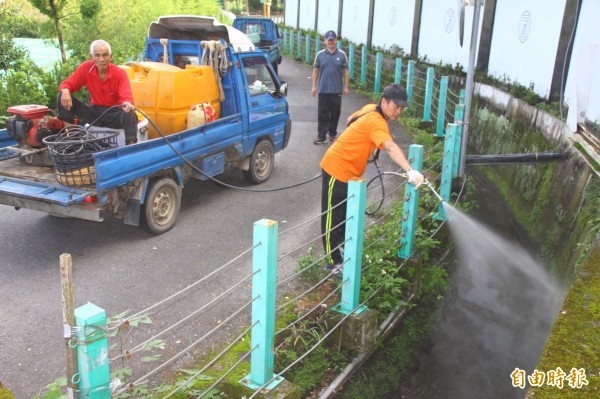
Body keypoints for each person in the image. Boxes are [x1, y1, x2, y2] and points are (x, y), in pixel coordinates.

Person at [319, 83, 425, 274]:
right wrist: (410, 171)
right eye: (396, 106)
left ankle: (341, 253)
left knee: (342, 216)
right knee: (331, 218)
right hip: (337, 168)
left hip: (350, 172)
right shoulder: (377, 121)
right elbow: (391, 147)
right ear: (384, 101)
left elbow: (350, 119)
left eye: (402, 108)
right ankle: (333, 264)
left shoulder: (371, 109)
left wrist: (359, 143)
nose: (398, 111)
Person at [57, 39, 138, 144]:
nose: (101, 59)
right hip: (95, 113)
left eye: (105, 55)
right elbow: (69, 83)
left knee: (130, 113)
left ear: (110, 56)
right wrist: (65, 89)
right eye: (97, 55)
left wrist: (127, 104)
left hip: (114, 114)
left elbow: (126, 97)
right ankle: (73, 139)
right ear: (91, 57)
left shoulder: (119, 73)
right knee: (61, 96)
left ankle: (130, 148)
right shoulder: (86, 68)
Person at [311, 30, 349, 145]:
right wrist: (314, 87)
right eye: (329, 40)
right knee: (322, 113)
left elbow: (346, 72)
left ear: (336, 40)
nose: (331, 42)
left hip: (336, 90)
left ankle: (332, 134)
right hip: (323, 89)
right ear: (325, 41)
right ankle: (321, 136)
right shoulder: (320, 55)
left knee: (335, 113)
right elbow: (315, 71)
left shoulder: (342, 55)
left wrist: (346, 87)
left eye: (333, 40)